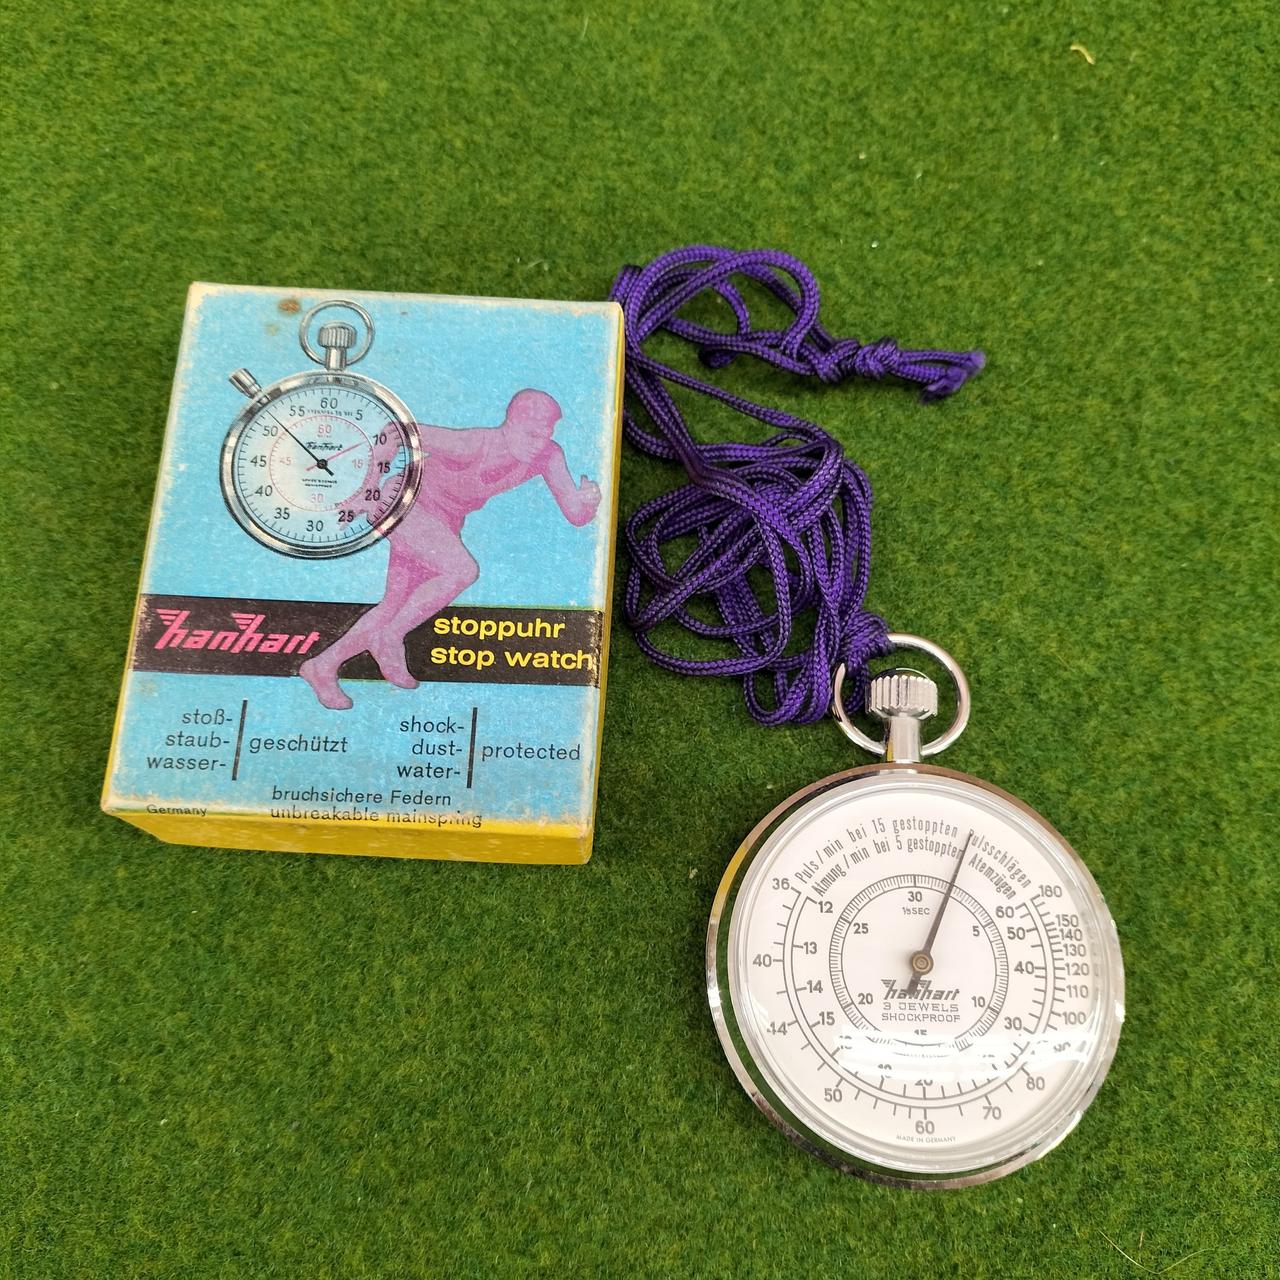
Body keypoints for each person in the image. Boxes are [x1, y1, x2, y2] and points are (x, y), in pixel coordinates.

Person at [300, 389, 600, 710]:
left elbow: (576, 515)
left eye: (546, 434)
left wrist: (589, 502)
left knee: (395, 604)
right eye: (531, 434)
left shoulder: (548, 455)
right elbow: (394, 431)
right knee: (462, 570)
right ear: (510, 424)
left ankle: (322, 666)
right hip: (407, 500)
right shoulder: (472, 444)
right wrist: (368, 489)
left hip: (443, 521)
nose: (539, 443)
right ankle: (389, 637)